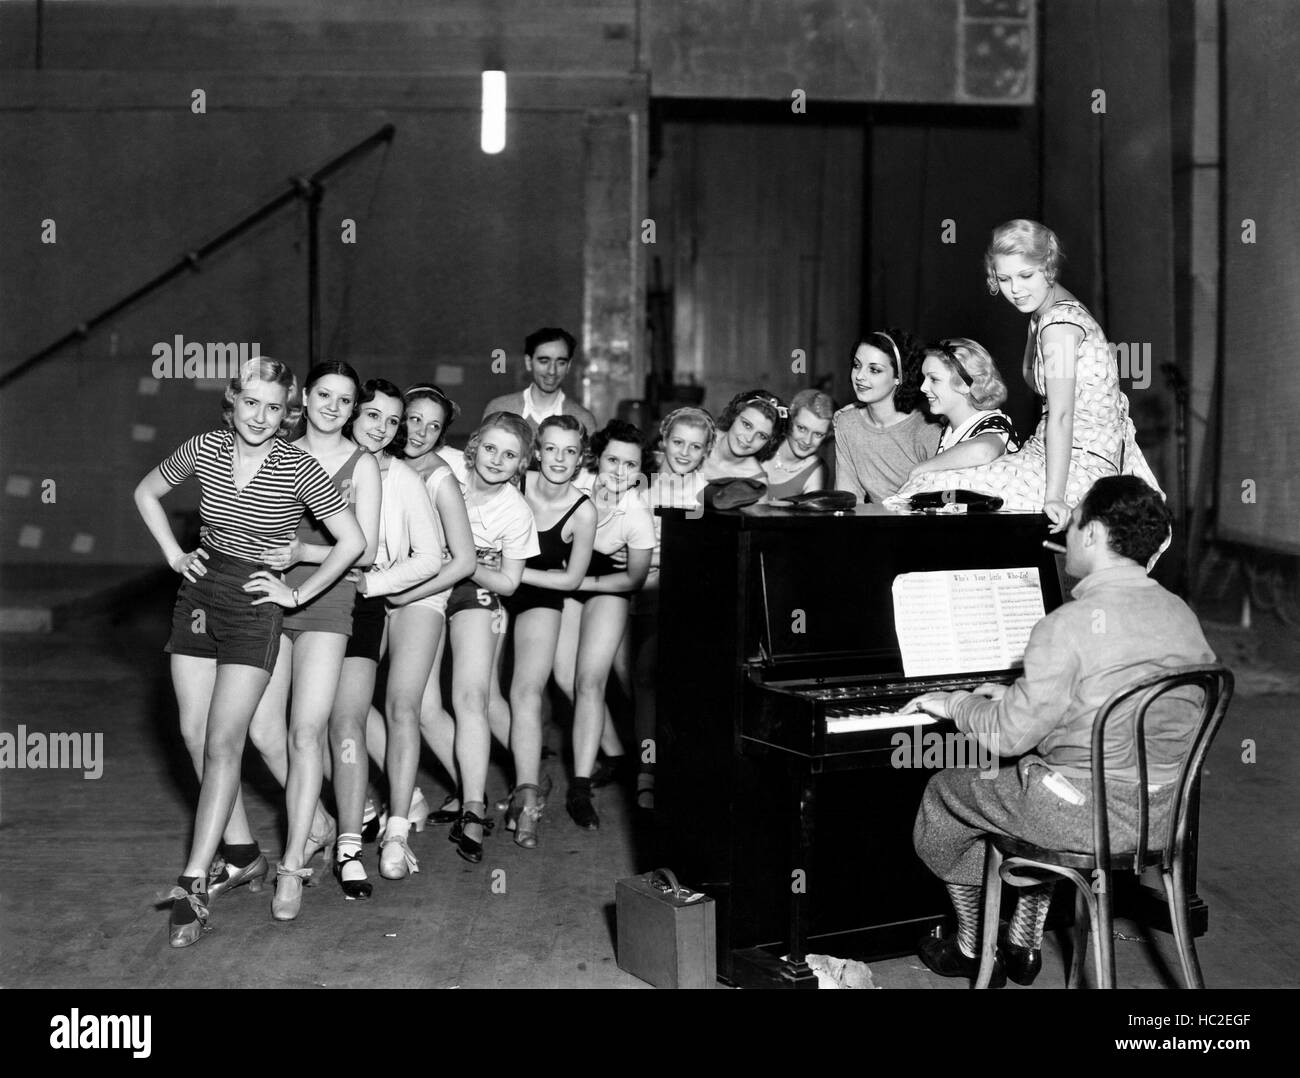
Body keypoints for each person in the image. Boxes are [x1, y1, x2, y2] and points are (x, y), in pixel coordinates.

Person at [903, 476, 1214, 986]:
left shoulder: (1066, 624)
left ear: (1091, 534)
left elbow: (1006, 738)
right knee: (1026, 786)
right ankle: (1023, 941)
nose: (1065, 531)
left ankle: (969, 944)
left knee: (945, 791)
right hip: (1161, 816)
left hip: (1078, 816)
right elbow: (1125, 700)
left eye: (1073, 523)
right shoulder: (1181, 615)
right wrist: (1023, 697)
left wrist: (955, 702)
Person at [134, 356, 365, 947]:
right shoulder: (206, 446)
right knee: (191, 732)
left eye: (273, 406)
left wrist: (298, 592)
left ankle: (192, 880)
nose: (260, 416)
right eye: (250, 402)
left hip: (255, 606)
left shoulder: (297, 464)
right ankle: (243, 853)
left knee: (224, 740)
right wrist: (172, 554)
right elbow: (147, 491)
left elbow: (354, 543)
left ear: (287, 412)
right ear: (232, 401)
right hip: (197, 596)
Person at [892, 220, 1161, 530]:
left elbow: (1060, 415)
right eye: (1004, 279)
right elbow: (1032, 377)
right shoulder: (1054, 312)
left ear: (1048, 267)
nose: (1016, 290)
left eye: (1026, 275)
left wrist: (1054, 497)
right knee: (937, 488)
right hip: (1062, 454)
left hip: (1077, 467)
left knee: (927, 491)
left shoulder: (1057, 326)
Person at [253, 361, 382, 922]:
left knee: (308, 730)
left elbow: (367, 549)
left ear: (354, 408)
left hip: (325, 601)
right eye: (324, 394)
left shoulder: (363, 464)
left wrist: (302, 557)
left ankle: (291, 865)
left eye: (345, 399)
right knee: (261, 729)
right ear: (304, 396)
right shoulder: (277, 445)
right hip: (269, 594)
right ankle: (321, 823)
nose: (333, 406)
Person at [329, 379, 443, 894]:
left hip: (366, 600)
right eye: (373, 415)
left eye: (392, 421)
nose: (382, 428)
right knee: (315, 720)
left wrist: (373, 583)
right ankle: (348, 817)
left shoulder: (402, 476)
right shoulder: (312, 460)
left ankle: (390, 831)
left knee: (375, 711)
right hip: (307, 599)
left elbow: (430, 555)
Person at [364, 385, 477, 835]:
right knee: (415, 707)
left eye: (434, 426)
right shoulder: (371, 458)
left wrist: (406, 597)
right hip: (378, 587)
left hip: (423, 592)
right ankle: (417, 794)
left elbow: (463, 561)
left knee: (406, 706)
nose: (422, 433)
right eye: (413, 419)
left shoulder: (440, 477)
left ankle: (470, 803)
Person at [445, 412, 540, 861]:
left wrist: (465, 562)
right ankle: (524, 778)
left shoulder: (515, 510)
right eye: (490, 448)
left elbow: (509, 583)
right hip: (422, 583)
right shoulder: (444, 471)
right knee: (424, 706)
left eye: (510, 455)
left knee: (473, 698)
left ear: (522, 463)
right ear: (474, 443)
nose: (497, 460)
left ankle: (476, 804)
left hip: (477, 592)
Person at [555, 420, 655, 830]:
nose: (619, 471)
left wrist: (584, 581)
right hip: (566, 583)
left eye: (630, 465)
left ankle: (579, 787)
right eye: (612, 459)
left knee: (589, 681)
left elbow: (633, 578)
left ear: (640, 471)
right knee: (563, 676)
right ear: (598, 459)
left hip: (607, 588)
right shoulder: (574, 482)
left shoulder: (636, 512)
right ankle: (616, 753)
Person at [503, 415, 597, 847]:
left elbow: (571, 580)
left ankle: (527, 798)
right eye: (552, 449)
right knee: (478, 697)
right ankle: (529, 776)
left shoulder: (584, 510)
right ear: (537, 451)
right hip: (490, 591)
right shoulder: (514, 485)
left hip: (540, 596)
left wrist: (515, 575)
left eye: (570, 451)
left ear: (581, 458)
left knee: (525, 691)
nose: (560, 459)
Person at [834, 329, 939, 504]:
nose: (859, 376)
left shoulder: (926, 429)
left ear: (899, 377)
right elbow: (849, 499)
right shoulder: (847, 423)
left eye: (874, 370)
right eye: (857, 365)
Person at [904, 338, 1020, 483]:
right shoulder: (950, 429)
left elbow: (983, 451)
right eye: (924, 378)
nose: (923, 387)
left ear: (965, 385)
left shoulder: (992, 423)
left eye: (934, 379)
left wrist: (921, 469)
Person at [483, 327, 597, 435]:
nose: (552, 371)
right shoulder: (500, 409)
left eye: (561, 362)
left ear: (568, 366)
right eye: (544, 361)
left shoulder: (582, 420)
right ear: (528, 362)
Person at [699, 389, 787, 481]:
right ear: (735, 416)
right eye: (747, 425)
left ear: (768, 442)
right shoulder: (698, 437)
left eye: (762, 436)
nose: (749, 439)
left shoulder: (755, 481)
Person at [762, 389, 834, 498]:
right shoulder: (761, 443)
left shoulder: (816, 471)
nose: (807, 441)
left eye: (818, 434)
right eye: (801, 428)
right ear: (789, 421)